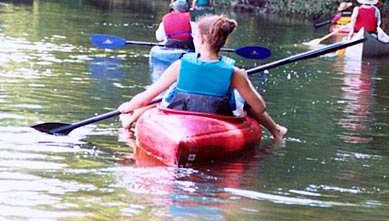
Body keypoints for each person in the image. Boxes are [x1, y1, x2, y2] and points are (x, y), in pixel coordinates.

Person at [118, 15, 288, 139]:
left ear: (199, 38)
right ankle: (276, 131)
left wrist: (127, 106)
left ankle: (129, 120)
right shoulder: (236, 73)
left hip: (183, 112)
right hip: (217, 114)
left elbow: (144, 99)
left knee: (168, 94)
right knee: (240, 97)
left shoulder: (179, 66)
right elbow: (259, 108)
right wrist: (245, 81)